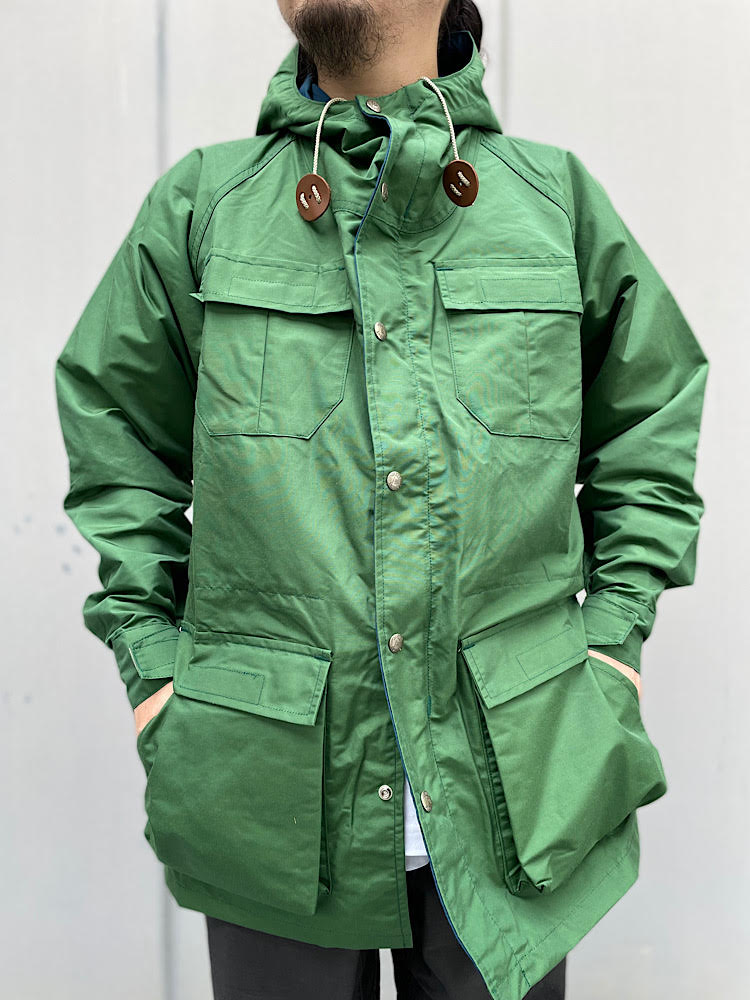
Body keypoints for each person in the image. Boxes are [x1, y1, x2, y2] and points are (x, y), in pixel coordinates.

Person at [54, 1, 709, 998]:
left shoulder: (554, 204)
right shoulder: (203, 207)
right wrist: (154, 671)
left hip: (519, 782)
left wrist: (613, 642)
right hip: (264, 788)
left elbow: (649, 425)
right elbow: (119, 443)